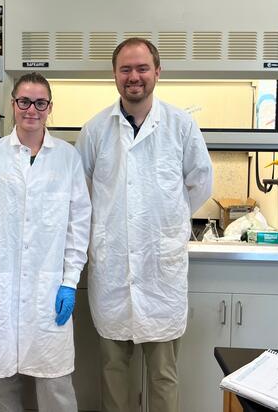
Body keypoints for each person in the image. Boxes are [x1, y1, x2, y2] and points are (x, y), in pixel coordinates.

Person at [75, 38, 213, 412]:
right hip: (113, 268)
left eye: (141, 68)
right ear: (115, 75)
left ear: (157, 72)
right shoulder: (95, 129)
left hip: (160, 270)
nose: (133, 77)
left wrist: (165, 221)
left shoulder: (181, 126)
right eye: (125, 69)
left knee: (164, 374)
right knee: (113, 370)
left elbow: (200, 182)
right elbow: (81, 190)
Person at [0, 72, 91, 412]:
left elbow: (79, 224)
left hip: (49, 289)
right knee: (2, 386)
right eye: (24, 101)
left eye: (40, 102)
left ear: (49, 107)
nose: (31, 109)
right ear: (13, 104)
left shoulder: (67, 157)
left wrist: (69, 282)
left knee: (55, 383)